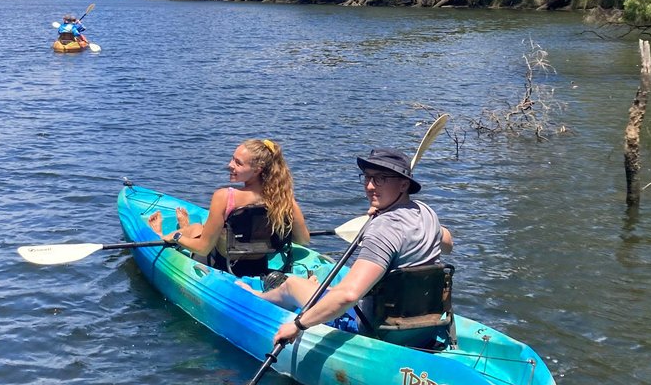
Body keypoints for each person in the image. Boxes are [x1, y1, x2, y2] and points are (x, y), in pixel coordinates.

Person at [259, 147, 454, 349]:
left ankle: (255, 297)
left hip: (374, 330)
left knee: (291, 284)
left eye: (380, 179)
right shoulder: (426, 212)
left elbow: (349, 295)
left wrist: (298, 325)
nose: (369, 186)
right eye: (367, 177)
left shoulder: (384, 229)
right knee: (335, 286)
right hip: (421, 327)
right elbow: (447, 243)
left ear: (404, 184)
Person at [146, 138, 311, 278]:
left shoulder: (225, 197)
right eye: (233, 159)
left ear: (257, 170)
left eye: (238, 163)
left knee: (196, 229)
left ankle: (163, 234)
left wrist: (176, 237)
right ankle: (187, 227)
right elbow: (303, 239)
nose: (229, 165)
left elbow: (204, 249)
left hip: (221, 265)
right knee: (199, 229)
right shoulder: (283, 199)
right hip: (258, 267)